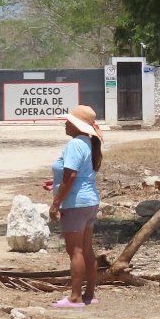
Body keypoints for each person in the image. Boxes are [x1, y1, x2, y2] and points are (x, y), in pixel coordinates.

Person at [46, 104, 103, 308]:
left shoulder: (74, 145)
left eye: (68, 121)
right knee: (87, 249)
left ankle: (75, 297)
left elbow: (71, 175)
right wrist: (56, 184)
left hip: (76, 203)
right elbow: (75, 175)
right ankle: (89, 294)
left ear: (77, 125)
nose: (65, 123)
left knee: (75, 250)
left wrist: (56, 202)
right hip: (89, 201)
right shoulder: (88, 142)